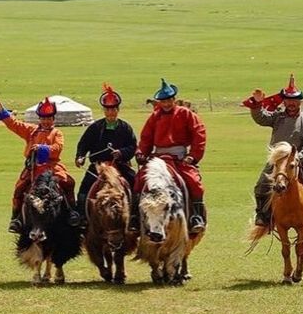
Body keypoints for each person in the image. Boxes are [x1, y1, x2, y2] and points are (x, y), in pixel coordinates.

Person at [244, 74, 303, 229]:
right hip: (278, 161)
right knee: (261, 186)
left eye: (295, 100)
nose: (291, 103)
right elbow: (261, 118)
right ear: (284, 101)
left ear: (300, 102)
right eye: (288, 100)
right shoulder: (277, 117)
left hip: (299, 160)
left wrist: (299, 158)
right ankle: (263, 215)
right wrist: (257, 104)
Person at [0, 97, 80, 233]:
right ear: (40, 119)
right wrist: (3, 112)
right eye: (43, 118)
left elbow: (57, 148)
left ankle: (71, 212)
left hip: (52, 167)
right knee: (19, 188)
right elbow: (15, 125)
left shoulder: (57, 133)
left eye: (49, 118)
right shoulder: (32, 131)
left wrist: (42, 148)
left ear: (53, 119)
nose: (46, 121)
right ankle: (16, 219)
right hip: (33, 167)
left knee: (68, 182)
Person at [132, 78, 207, 234]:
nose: (166, 104)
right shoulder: (155, 116)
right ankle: (134, 217)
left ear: (174, 99)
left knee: (194, 182)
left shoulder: (186, 114)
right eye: (163, 101)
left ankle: (196, 217)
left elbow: (199, 134)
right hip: (158, 157)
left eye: (168, 100)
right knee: (139, 181)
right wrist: (141, 153)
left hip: (179, 157)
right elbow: (146, 138)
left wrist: (193, 156)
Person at [74, 84, 137, 225]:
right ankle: (81, 215)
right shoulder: (95, 128)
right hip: (98, 166)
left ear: (118, 110)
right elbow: (83, 144)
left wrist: (121, 153)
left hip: (119, 165)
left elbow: (132, 146)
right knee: (85, 186)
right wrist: (80, 156)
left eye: (113, 109)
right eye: (108, 109)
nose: (111, 112)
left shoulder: (125, 128)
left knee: (135, 182)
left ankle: (134, 217)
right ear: (104, 110)